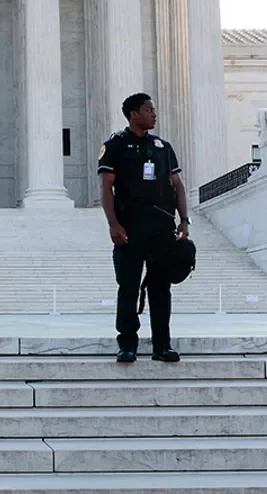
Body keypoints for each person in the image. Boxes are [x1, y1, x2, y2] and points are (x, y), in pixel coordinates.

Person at [98, 93, 190, 363]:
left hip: (162, 225)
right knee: (128, 286)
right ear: (133, 114)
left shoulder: (163, 147)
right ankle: (127, 344)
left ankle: (162, 345)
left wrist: (184, 220)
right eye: (149, 109)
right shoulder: (115, 145)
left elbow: (178, 185)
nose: (154, 114)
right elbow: (106, 186)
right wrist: (113, 223)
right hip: (130, 226)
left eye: (154, 109)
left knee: (161, 287)